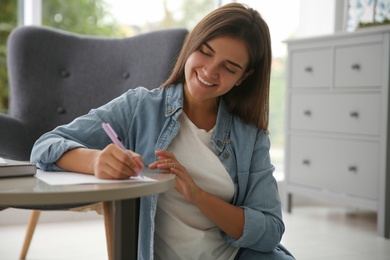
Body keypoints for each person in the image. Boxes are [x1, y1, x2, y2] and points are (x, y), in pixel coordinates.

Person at [31, 3, 294, 260]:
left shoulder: (251, 136)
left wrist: (198, 196)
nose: (209, 71)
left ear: (243, 77)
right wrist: (97, 160)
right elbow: (45, 146)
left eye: (229, 67)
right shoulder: (139, 107)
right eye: (205, 51)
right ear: (191, 46)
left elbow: (270, 231)